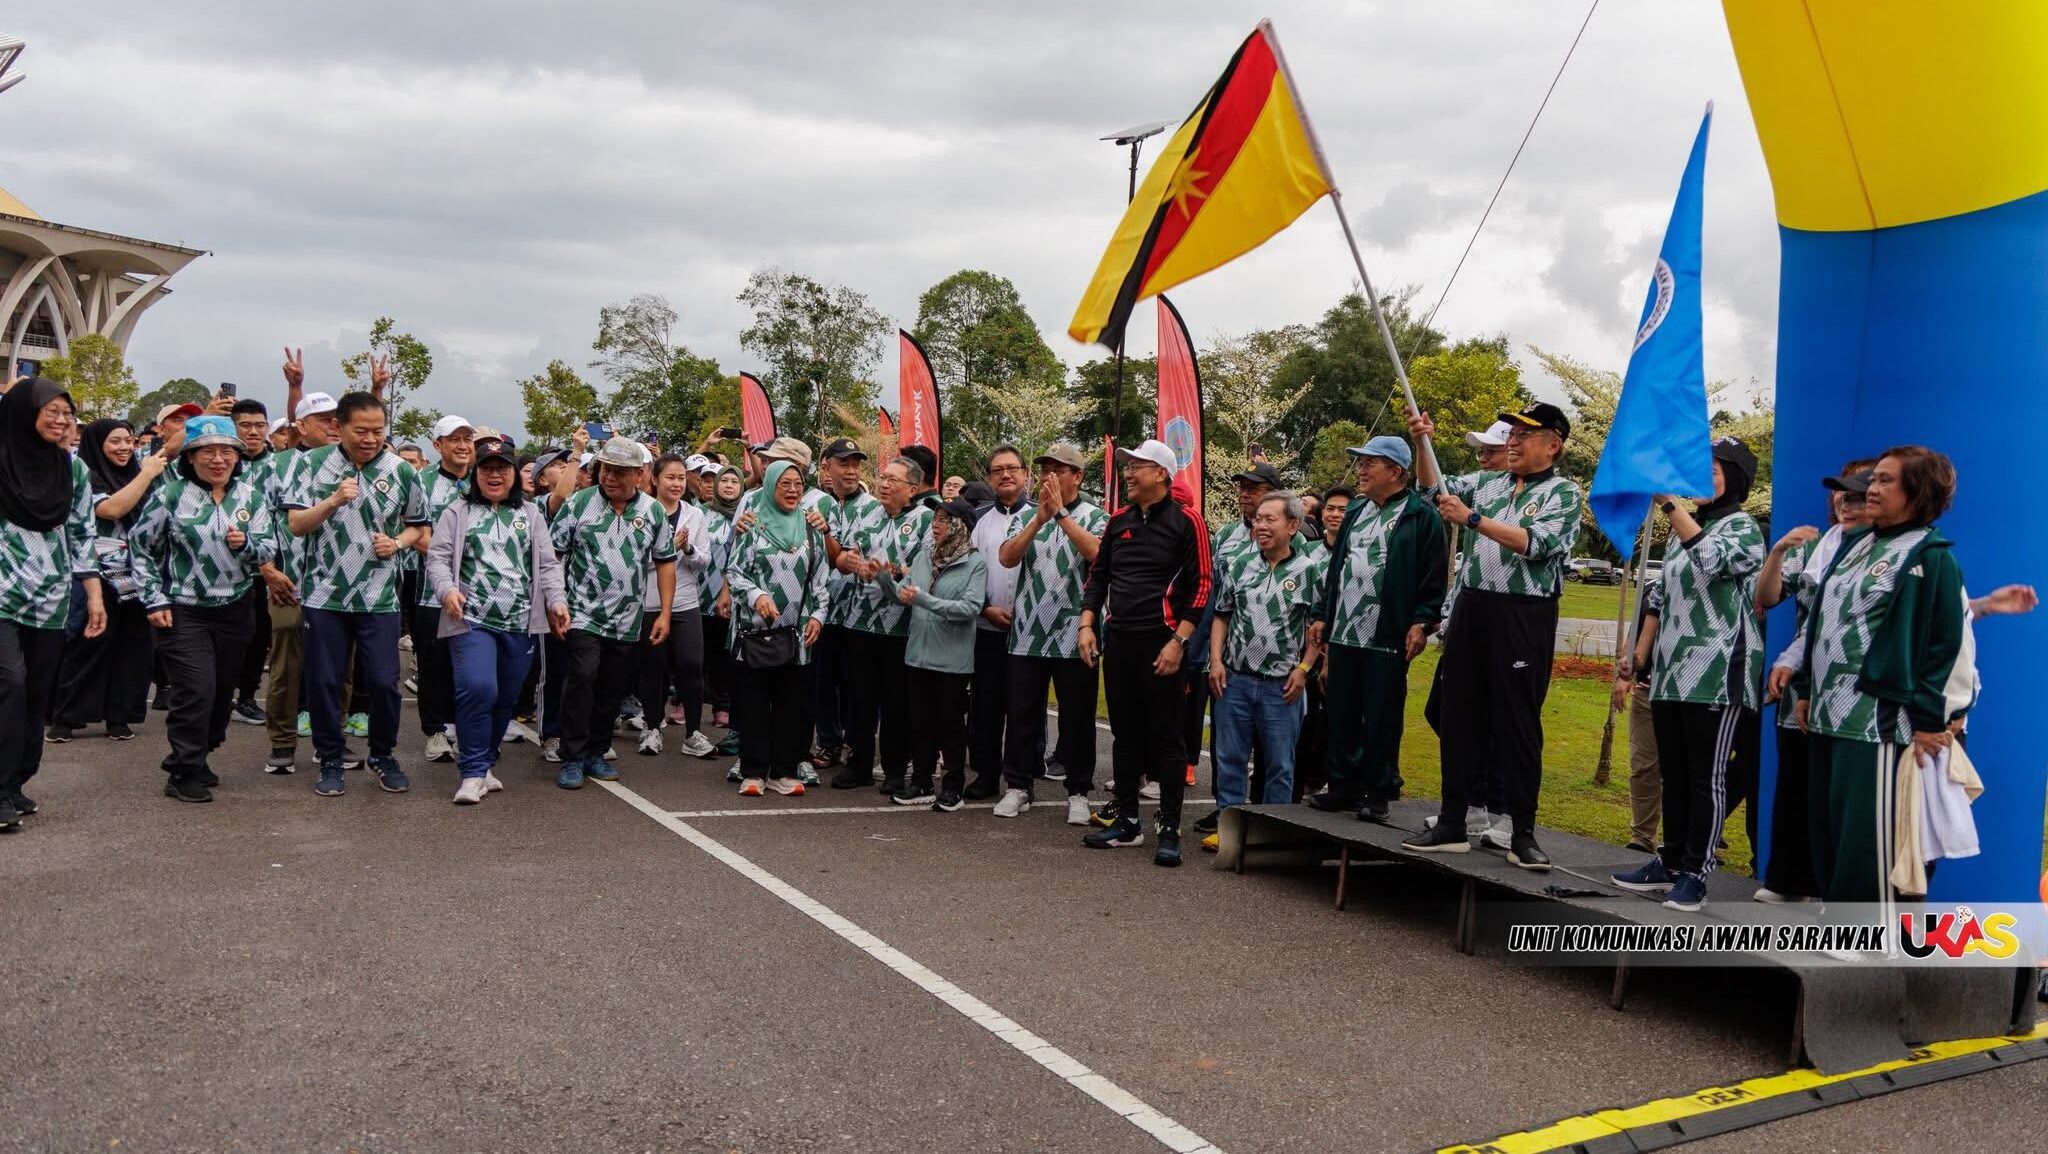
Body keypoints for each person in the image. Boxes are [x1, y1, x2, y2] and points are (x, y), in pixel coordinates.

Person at [1773, 446, 1969, 907]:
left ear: (1917, 492)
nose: (1871, 490)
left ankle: (1864, 935)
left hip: (1877, 721)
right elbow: (1820, 620)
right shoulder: (1858, 543)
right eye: (1873, 480)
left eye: (1885, 481)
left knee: (1868, 834)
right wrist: (1804, 688)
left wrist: (1930, 719)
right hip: (1825, 714)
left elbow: (1945, 645)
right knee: (1828, 827)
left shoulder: (1930, 555)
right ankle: (1840, 918)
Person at [1402, 403, 1583, 870]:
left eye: (1527, 434)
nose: (1514, 442)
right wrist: (1423, 441)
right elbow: (1429, 491)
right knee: (1459, 716)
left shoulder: (1564, 492)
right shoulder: (1488, 483)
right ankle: (1453, 821)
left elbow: (1538, 544)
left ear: (1553, 444)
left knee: (1517, 723)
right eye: (1513, 434)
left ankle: (1521, 831)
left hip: (1524, 614)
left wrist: (1474, 521)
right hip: (1474, 607)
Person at [1611, 437, 1766, 912]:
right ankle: (1670, 861)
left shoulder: (1744, 530)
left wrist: (1671, 506)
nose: (1701, 477)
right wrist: (1637, 656)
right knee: (1673, 775)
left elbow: (1713, 560)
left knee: (1707, 778)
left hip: (1719, 676)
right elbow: (1658, 598)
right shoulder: (1689, 530)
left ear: (1735, 479)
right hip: (1672, 675)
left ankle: (1696, 874)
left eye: (1714, 470)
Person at [284, 390, 429, 798]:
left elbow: (418, 526)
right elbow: (296, 524)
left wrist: (398, 543)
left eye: (378, 431)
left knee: (385, 682)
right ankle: (330, 759)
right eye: (360, 430)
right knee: (325, 682)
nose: (370, 438)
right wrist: (331, 501)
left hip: (379, 596)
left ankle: (383, 755)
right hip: (324, 595)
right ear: (339, 427)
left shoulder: (402, 471)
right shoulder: (310, 464)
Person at [130, 415, 278, 802]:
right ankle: (184, 769)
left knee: (220, 694)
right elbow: (140, 548)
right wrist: (153, 597)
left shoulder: (252, 497)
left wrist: (245, 545)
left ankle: (198, 753)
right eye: (208, 451)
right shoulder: (170, 495)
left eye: (226, 452)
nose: (218, 459)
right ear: (191, 456)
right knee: (196, 689)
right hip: (183, 608)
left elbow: (268, 551)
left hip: (236, 607)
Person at [1079, 439, 1209, 866]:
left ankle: (1169, 827)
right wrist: (1087, 624)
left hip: (1165, 645)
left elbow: (1203, 586)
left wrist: (1179, 641)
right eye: (1127, 466)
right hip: (1120, 643)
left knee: (1167, 738)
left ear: (1162, 474)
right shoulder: (1118, 521)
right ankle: (1129, 821)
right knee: (1126, 736)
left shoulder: (1188, 520)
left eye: (1138, 466)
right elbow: (1098, 578)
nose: (1129, 473)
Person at [1307, 436, 1448, 821]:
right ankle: (1343, 786)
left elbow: (1434, 576)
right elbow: (1336, 569)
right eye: (1360, 463)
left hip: (1387, 631)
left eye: (1370, 463)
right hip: (1345, 627)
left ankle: (1380, 789)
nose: (1361, 470)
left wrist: (1422, 621)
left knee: (1381, 714)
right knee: (1341, 709)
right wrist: (1322, 612)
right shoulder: (1355, 511)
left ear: (1396, 471)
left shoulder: (1422, 515)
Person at [1749, 462, 1873, 901]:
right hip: (1801, 683)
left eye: (1859, 491)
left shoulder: (1888, 551)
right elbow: (1766, 599)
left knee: (1838, 797)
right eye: (1841, 492)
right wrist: (1778, 550)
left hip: (1852, 696)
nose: (1847, 500)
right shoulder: (1816, 546)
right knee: (1796, 783)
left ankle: (1832, 893)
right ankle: (1788, 879)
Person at [428, 437, 569, 804]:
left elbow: (548, 565)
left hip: (520, 622)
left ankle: (485, 763)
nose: (495, 475)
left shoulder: (531, 514)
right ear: (475, 474)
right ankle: (472, 772)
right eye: (487, 468)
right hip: (471, 619)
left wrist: (556, 601)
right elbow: (438, 560)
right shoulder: (457, 512)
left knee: (505, 698)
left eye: (502, 468)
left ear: (513, 474)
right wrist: (447, 591)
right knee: (478, 688)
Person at [0, 378, 106, 827]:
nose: (62, 421)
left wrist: (93, 593)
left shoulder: (73, 470)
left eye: (68, 413)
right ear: (26, 411)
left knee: (38, 692)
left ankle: (15, 781)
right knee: (11, 683)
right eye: (52, 411)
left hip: (50, 598)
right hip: (2, 594)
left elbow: (83, 533)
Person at [547, 436, 676, 789]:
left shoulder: (652, 512)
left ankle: (596, 752)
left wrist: (664, 612)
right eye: (606, 469)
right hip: (582, 613)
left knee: (612, 687)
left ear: (640, 474)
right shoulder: (578, 506)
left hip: (627, 618)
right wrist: (553, 603)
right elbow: (553, 558)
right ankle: (572, 757)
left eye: (620, 472)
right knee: (583, 678)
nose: (610, 478)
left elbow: (665, 563)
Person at [1206, 492, 1322, 850]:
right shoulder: (1238, 564)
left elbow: (1317, 629)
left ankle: (1271, 834)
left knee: (1280, 766)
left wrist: (1303, 669)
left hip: (1281, 686)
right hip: (1235, 680)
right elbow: (1222, 615)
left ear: (1292, 525)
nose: (1260, 525)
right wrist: (1215, 662)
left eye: (1269, 519)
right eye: (1257, 519)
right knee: (1230, 760)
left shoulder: (1309, 571)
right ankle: (1231, 829)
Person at [996, 442, 1105, 823]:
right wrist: (1039, 520)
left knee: (1077, 716)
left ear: (1077, 477)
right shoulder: (1028, 515)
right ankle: (1018, 786)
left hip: (1076, 633)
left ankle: (1078, 790)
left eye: (1058, 470)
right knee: (1023, 712)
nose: (1048, 476)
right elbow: (1007, 557)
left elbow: (1097, 554)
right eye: (1044, 469)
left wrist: (1060, 515)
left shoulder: (1095, 516)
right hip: (1027, 632)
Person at [49, 419, 165, 742]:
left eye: (129, 440)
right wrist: (146, 474)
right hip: (95, 575)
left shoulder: (142, 475)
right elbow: (112, 509)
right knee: (87, 644)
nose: (125, 447)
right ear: (97, 444)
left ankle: (120, 716)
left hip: (139, 575)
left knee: (133, 649)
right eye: (115, 441)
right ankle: (65, 718)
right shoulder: (85, 476)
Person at [876, 496, 987, 809]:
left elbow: (970, 608)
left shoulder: (974, 564)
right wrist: (885, 579)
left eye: (942, 520)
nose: (935, 525)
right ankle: (922, 782)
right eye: (935, 518)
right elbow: (904, 597)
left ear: (959, 526)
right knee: (920, 724)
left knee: (951, 727)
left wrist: (924, 600)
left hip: (952, 661)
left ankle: (952, 788)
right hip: (918, 655)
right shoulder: (925, 556)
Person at [726, 460, 829, 796]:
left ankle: (782, 772)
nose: (792, 490)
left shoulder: (812, 527)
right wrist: (756, 596)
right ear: (770, 486)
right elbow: (735, 572)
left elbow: (820, 579)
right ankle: (753, 771)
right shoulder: (751, 526)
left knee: (791, 703)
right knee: (754, 701)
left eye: (797, 484)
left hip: (797, 633)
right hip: (754, 631)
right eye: (784, 483)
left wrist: (818, 616)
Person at [831, 456, 933, 795]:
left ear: (913, 489)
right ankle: (858, 764)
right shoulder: (865, 513)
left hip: (901, 627)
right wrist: (849, 562)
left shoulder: (925, 520)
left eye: (893, 480)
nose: (884, 484)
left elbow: (927, 572)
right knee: (860, 698)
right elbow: (845, 557)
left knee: (896, 702)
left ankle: (893, 769)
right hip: (859, 622)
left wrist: (894, 572)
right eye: (883, 477)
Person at [967, 445, 1033, 800]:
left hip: (1029, 633)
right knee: (986, 706)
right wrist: (986, 607)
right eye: (997, 470)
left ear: (1025, 474)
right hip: (987, 626)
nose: (1005, 475)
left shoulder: (1042, 517)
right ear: (990, 478)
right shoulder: (977, 519)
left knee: (1024, 707)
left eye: (1012, 469)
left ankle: (1022, 781)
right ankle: (986, 774)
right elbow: (967, 572)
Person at [634, 453, 711, 757]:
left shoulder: (696, 515)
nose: (677, 483)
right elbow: (633, 561)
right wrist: (666, 552)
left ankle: (693, 733)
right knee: (653, 668)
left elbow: (704, 562)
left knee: (691, 666)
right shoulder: (642, 513)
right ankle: (652, 727)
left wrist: (688, 548)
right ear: (654, 478)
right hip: (650, 602)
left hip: (685, 603)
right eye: (670, 477)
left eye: (681, 478)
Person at [411, 415, 476, 764]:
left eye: (468, 439)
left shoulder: (483, 481)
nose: (463, 445)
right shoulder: (421, 482)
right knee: (434, 664)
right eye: (455, 439)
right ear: (437, 445)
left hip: (479, 592)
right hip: (431, 592)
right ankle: (435, 731)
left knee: (470, 662)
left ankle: (466, 729)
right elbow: (417, 532)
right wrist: (448, 562)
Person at [811, 437, 870, 776]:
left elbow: (850, 560)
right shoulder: (814, 503)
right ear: (826, 466)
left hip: (860, 613)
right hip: (821, 610)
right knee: (823, 681)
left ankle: (855, 741)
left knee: (855, 683)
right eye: (843, 463)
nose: (850, 470)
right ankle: (828, 740)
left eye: (856, 464)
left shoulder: (873, 507)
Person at [227, 397, 278, 727]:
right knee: (227, 636)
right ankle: (218, 694)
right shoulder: (221, 461)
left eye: (260, 425)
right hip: (220, 568)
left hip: (264, 565)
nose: (254, 431)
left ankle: (246, 697)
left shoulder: (279, 466)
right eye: (245, 425)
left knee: (259, 634)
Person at [1612, 577, 1663, 854]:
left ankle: (1692, 841)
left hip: (1688, 695)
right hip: (1646, 692)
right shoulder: (1653, 587)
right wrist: (1625, 673)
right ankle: (1643, 837)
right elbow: (1637, 629)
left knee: (1686, 772)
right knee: (1644, 767)